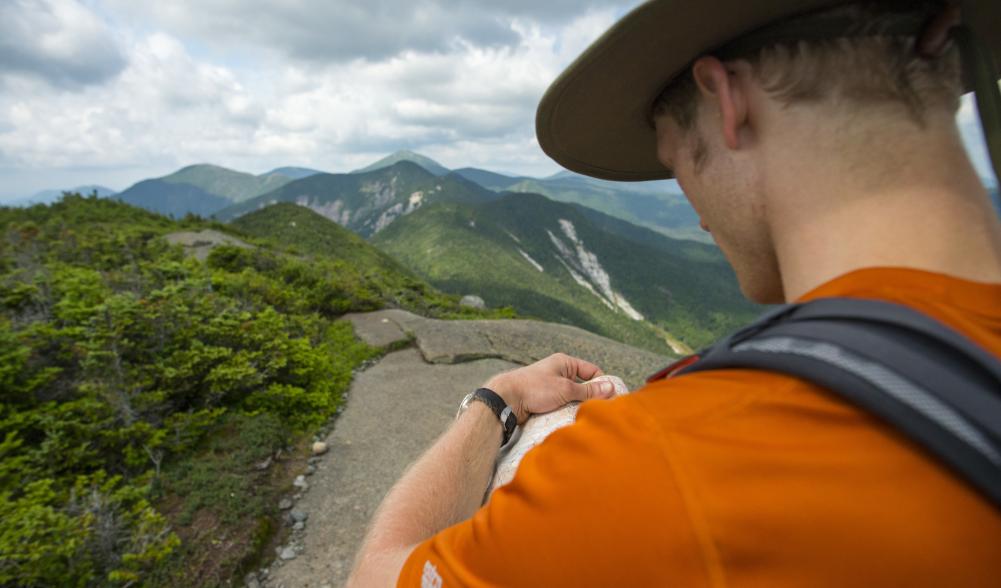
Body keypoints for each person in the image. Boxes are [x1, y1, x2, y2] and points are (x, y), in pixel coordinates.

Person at [348, 0, 1001, 585]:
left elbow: (378, 577)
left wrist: (501, 398)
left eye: (675, 159)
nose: (697, 216)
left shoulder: (660, 467)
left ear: (724, 99)